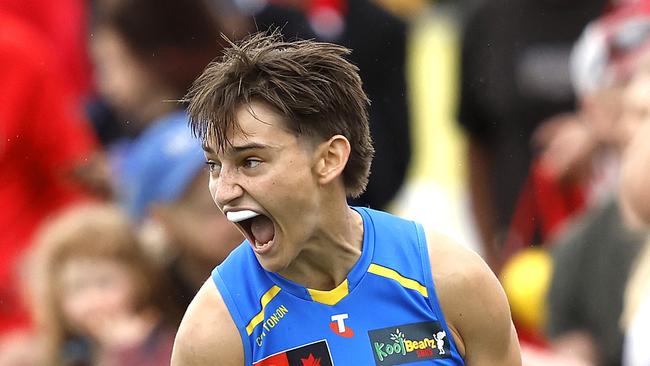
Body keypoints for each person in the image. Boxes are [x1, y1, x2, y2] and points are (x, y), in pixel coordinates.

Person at [171, 32, 520, 365]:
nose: (224, 191)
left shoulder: (452, 281)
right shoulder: (213, 332)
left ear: (329, 159)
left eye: (250, 161)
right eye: (214, 165)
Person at [28, 203, 180, 366]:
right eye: (77, 287)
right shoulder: (67, 352)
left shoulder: (165, 341)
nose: (93, 300)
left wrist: (129, 351)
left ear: (140, 280)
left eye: (104, 283)